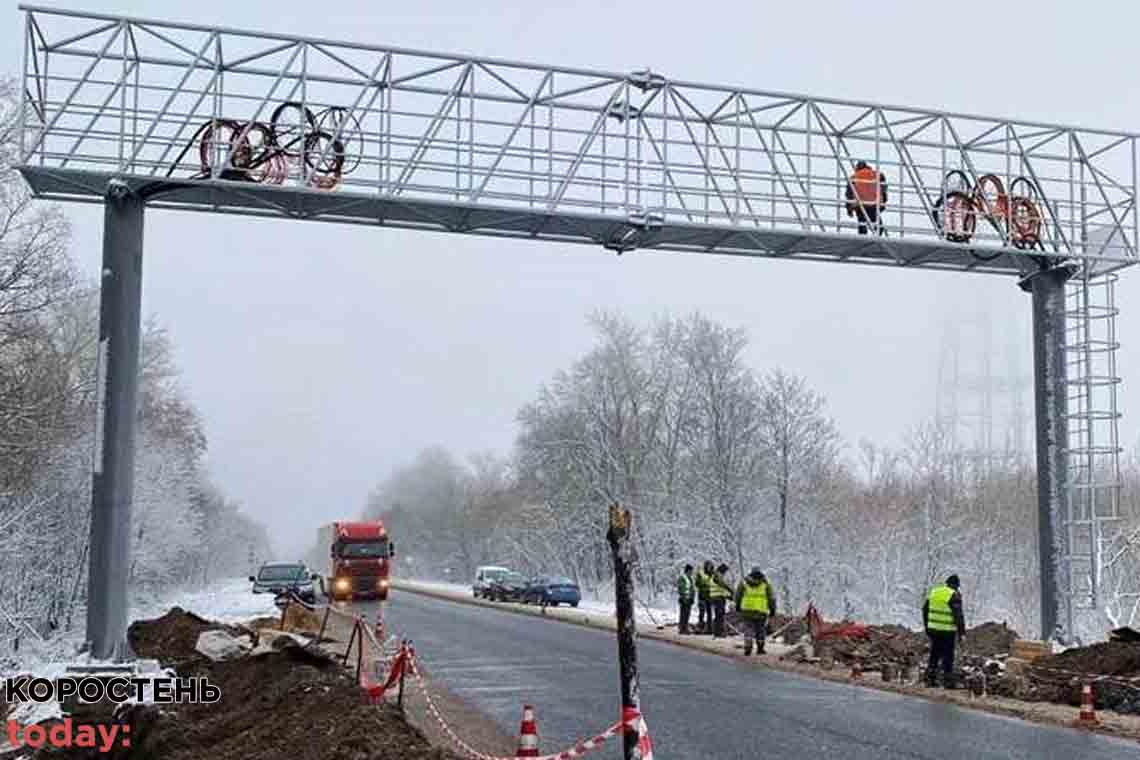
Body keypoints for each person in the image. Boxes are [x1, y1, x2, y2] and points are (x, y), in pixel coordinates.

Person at [923, 574, 966, 688]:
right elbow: (958, 615)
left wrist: (927, 626)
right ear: (956, 585)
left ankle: (930, 679)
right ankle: (948, 681)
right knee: (948, 655)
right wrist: (962, 633)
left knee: (934, 653)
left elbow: (925, 610)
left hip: (933, 629)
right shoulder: (953, 595)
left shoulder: (934, 592)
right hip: (947, 630)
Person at [735, 567, 776, 655]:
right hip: (761, 610)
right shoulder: (765, 584)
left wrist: (737, 606)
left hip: (747, 610)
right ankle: (760, 648)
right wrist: (772, 609)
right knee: (760, 629)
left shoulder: (744, 583)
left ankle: (748, 647)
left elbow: (738, 595)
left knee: (748, 629)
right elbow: (771, 598)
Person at [845, 160, 888, 235]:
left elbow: (849, 194)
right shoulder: (878, 175)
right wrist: (883, 202)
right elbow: (883, 189)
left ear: (857, 168)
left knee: (862, 224)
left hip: (860, 205)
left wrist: (849, 209)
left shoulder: (854, 177)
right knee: (878, 226)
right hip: (874, 204)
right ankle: (877, 239)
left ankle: (863, 239)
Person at [708, 563, 733, 638]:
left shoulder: (716, 575)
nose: (725, 573)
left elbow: (721, 589)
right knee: (720, 615)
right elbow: (722, 585)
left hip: (717, 597)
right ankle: (718, 632)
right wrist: (730, 591)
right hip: (717, 598)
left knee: (719, 615)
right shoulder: (717, 575)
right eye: (725, 572)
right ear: (722, 570)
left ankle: (718, 632)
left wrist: (728, 596)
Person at [677, 565, 696, 634]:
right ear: (687, 570)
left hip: (689, 599)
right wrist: (684, 596)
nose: (692, 572)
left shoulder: (690, 578)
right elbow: (681, 588)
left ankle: (685, 628)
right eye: (691, 571)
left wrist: (692, 597)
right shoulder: (682, 578)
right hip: (684, 599)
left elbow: (692, 589)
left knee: (687, 614)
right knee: (683, 614)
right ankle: (682, 629)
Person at [696, 561, 713, 634]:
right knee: (701, 613)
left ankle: (709, 629)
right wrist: (705, 585)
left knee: (709, 613)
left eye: (710, 566)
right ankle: (700, 628)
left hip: (710, 596)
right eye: (708, 566)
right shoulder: (700, 574)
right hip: (702, 596)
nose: (709, 568)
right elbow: (697, 583)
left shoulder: (713, 574)